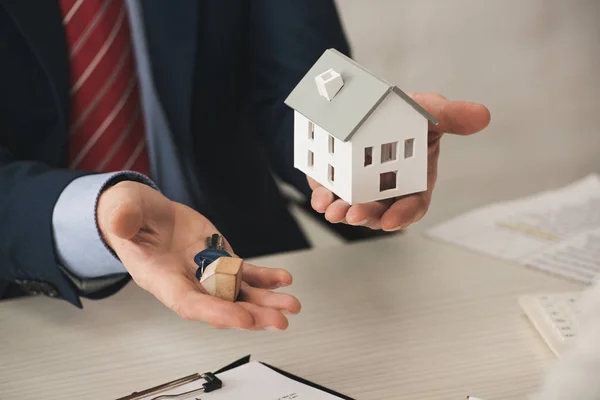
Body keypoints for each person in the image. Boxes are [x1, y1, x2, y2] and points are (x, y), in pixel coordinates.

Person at [0, 0, 490, 330]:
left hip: (253, 266)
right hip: (28, 303)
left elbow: (302, 85)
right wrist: (92, 211)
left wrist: (364, 149)